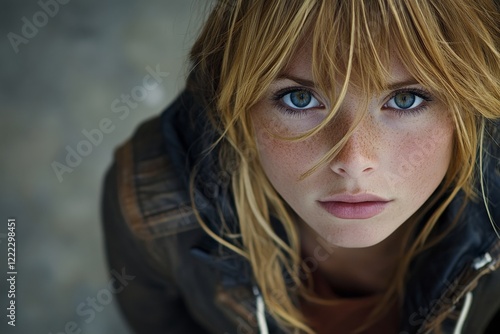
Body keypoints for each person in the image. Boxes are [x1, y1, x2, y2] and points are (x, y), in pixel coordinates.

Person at [101, 0, 500, 333]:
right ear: (238, 108)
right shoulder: (155, 200)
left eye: (406, 100)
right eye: (299, 99)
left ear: (468, 106)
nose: (353, 161)